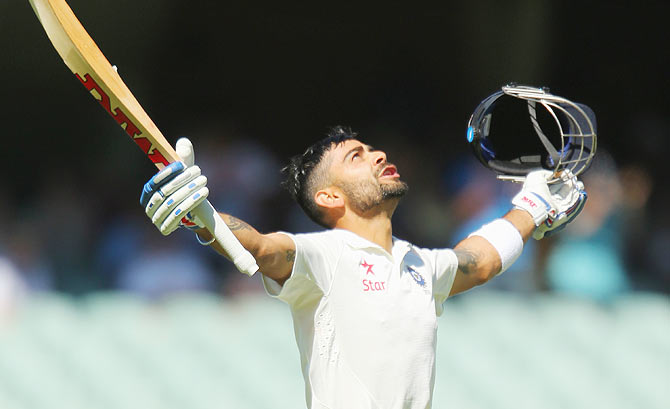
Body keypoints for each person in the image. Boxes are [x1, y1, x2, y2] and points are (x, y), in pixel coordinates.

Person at [140, 126, 586, 409]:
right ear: (329, 198)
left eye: (371, 150)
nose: (376, 156)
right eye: (356, 157)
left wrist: (533, 204)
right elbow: (260, 246)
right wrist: (202, 215)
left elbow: (482, 259)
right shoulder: (323, 257)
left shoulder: (419, 265)